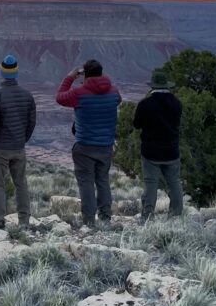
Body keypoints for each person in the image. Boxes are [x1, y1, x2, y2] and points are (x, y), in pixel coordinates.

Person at [56, 58, 122, 228]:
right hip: (106, 145)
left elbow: (60, 98)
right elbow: (118, 100)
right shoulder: (114, 92)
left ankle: (89, 221)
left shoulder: (79, 93)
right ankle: (106, 217)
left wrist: (70, 78)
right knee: (103, 181)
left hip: (84, 145)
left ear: (84, 75)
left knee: (86, 183)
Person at [0, 54, 37, 229]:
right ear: (16, 73)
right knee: (21, 184)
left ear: (2, 73)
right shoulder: (27, 96)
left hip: (0, 149)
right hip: (19, 147)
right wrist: (22, 139)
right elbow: (31, 123)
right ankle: (24, 221)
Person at [133, 71, 184, 220]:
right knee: (174, 183)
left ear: (152, 86)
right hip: (172, 150)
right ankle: (176, 215)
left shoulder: (145, 104)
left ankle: (148, 216)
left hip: (151, 151)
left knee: (150, 184)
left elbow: (136, 124)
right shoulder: (177, 103)